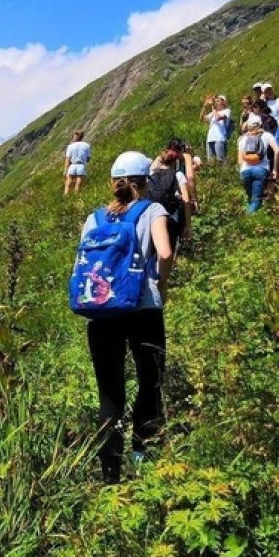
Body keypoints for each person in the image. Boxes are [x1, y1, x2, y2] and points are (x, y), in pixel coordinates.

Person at [82, 151, 173, 484]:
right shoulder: (153, 210)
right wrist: (160, 284)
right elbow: (164, 252)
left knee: (110, 395)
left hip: (101, 311)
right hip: (143, 307)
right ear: (145, 181)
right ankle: (142, 459)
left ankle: (110, 476)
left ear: (113, 183)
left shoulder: (93, 219)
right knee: (150, 382)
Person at [148, 149, 193, 253]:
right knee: (169, 250)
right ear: (175, 162)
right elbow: (186, 201)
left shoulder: (151, 175)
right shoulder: (178, 175)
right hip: (171, 218)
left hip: (153, 218)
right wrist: (187, 225)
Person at [237, 115, 279, 213]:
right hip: (261, 169)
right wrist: (275, 169)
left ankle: (249, 217)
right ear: (261, 124)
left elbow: (240, 161)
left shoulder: (242, 139)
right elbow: (277, 151)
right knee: (256, 201)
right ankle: (246, 221)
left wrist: (241, 170)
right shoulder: (267, 135)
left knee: (250, 199)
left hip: (245, 171)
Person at [201, 94, 231, 162]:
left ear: (223, 102)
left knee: (221, 160)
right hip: (210, 138)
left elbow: (218, 118)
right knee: (210, 161)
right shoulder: (213, 113)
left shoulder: (227, 111)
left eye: (219, 100)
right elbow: (202, 119)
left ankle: (224, 172)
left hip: (219, 138)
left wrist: (213, 108)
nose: (216, 102)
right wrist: (204, 106)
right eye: (216, 101)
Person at [64, 130, 92, 195]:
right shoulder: (87, 145)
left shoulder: (70, 146)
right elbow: (88, 159)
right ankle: (75, 198)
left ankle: (66, 199)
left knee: (68, 185)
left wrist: (65, 170)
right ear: (82, 137)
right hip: (81, 166)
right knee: (78, 188)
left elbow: (67, 159)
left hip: (72, 166)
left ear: (75, 136)